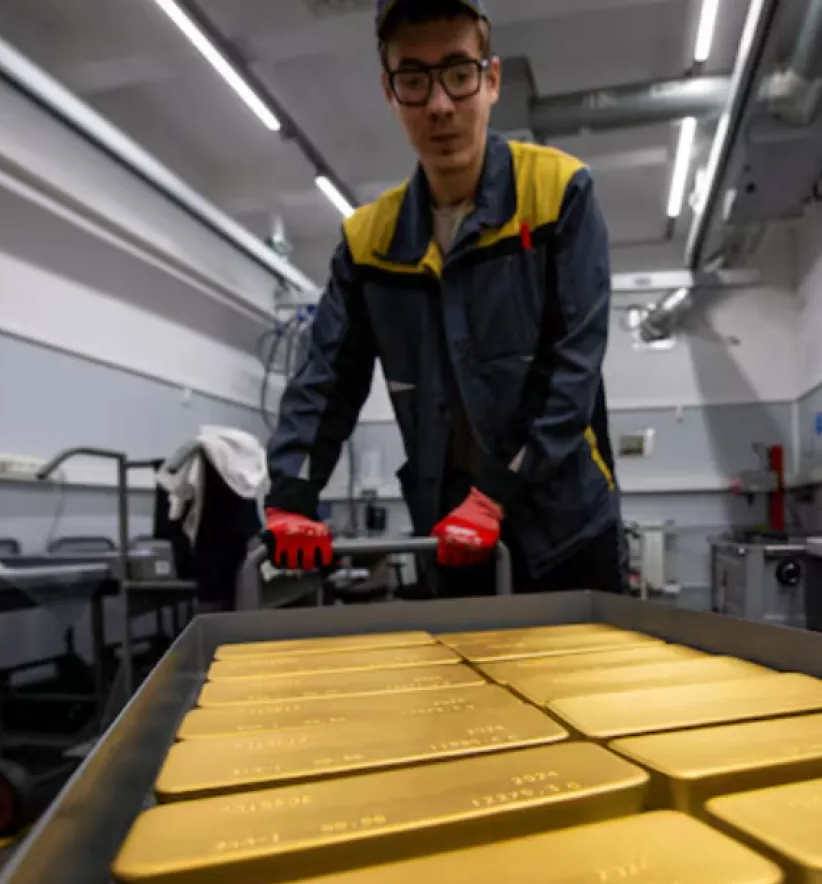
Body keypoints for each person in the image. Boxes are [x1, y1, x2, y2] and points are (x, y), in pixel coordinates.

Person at [263, 0, 622, 597]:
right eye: (414, 79)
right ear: (389, 92)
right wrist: (292, 491)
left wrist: (497, 494)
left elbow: (572, 370)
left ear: (492, 79)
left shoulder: (559, 194)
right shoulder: (367, 243)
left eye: (458, 74)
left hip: (566, 530)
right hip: (450, 535)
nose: (439, 105)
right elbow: (327, 379)